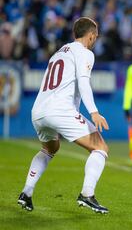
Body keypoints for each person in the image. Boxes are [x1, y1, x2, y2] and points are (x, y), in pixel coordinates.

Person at [18, 17, 109, 214]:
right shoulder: (85, 53)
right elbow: (84, 82)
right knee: (100, 147)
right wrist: (94, 112)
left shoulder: (58, 53)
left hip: (39, 111)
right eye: (96, 36)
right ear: (92, 36)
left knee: (50, 148)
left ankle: (27, 192)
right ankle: (87, 194)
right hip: (60, 110)